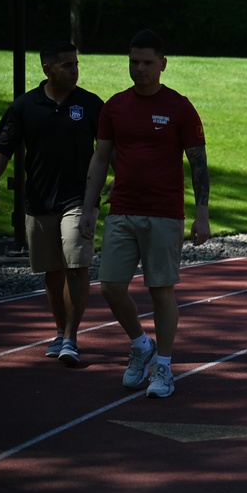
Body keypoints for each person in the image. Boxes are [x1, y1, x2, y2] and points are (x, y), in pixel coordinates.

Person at [79, 30, 210, 398]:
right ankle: (140, 344)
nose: (140, 69)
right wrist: (89, 207)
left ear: (163, 64)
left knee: (160, 291)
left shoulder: (179, 107)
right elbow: (101, 158)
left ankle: (164, 367)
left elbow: (198, 162)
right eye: (134, 62)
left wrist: (202, 213)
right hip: (121, 210)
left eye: (148, 63)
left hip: (165, 214)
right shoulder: (115, 107)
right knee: (110, 287)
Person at [0, 41, 103, 367]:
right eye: (67, 65)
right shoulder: (25, 106)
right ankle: (60, 331)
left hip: (79, 201)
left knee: (77, 264)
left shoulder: (90, 104)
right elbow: (2, 147)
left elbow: (111, 146)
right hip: (38, 201)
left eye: (76, 64)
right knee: (52, 273)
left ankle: (71, 337)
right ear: (47, 69)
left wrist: (117, 177)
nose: (74, 70)